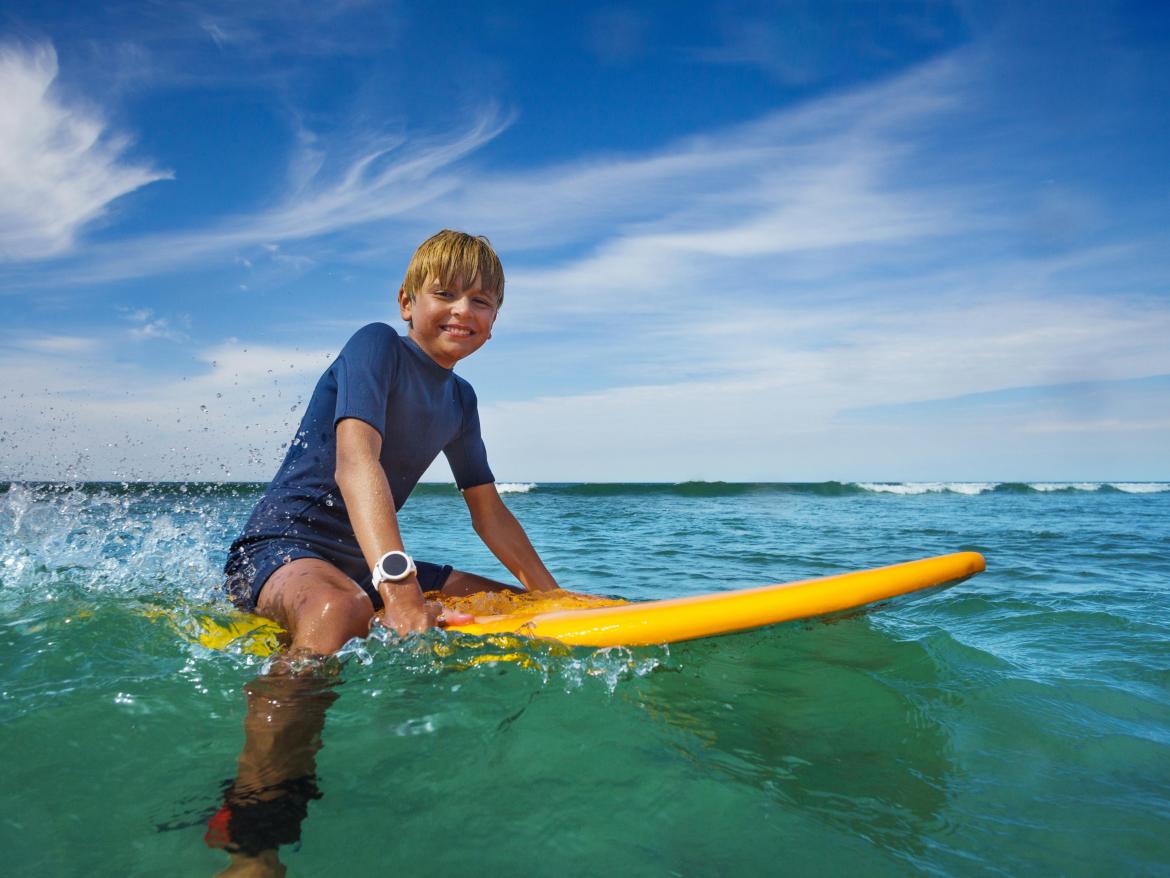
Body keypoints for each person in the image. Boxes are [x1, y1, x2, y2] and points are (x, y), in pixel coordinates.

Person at [222, 229, 561, 657]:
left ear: (492, 324)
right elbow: (356, 462)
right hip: (279, 553)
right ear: (406, 302)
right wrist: (402, 593)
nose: (463, 309)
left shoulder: (460, 400)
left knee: (515, 605)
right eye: (445, 293)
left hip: (364, 565)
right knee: (339, 608)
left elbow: (489, 513)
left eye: (481, 301)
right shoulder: (376, 345)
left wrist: (554, 599)